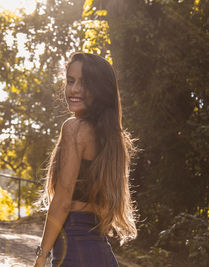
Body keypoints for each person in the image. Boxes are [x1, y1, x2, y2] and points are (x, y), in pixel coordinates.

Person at [33, 52, 137, 267]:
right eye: (70, 81)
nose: (74, 89)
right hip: (101, 251)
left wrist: (41, 256)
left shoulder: (74, 128)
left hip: (74, 247)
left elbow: (62, 201)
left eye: (85, 83)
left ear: (99, 90)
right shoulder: (113, 140)